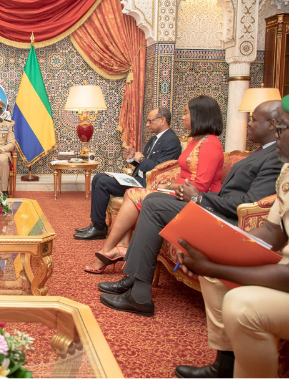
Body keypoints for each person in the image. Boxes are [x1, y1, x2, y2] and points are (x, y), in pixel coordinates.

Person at [173, 90, 289, 378]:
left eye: (284, 129)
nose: (278, 135)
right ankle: (225, 366)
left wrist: (213, 264)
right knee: (213, 275)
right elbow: (272, 233)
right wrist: (209, 249)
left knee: (242, 306)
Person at [97, 99, 284, 317]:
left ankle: (138, 293)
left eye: (253, 120)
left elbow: (247, 204)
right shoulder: (261, 151)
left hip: (227, 220)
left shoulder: (276, 157)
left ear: (272, 125)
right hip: (215, 207)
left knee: (154, 204)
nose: (249, 124)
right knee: (152, 202)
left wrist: (201, 198)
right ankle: (135, 284)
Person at [85, 95, 224, 274]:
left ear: (200, 115)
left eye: (186, 113)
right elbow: (180, 174)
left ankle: (106, 251)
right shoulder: (195, 141)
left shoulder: (210, 144)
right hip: (178, 192)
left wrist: (165, 186)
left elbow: (198, 188)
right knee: (125, 190)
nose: (182, 117)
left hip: (196, 201)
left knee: (133, 195)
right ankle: (121, 246)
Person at [75, 107, 182, 242]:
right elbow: (145, 165)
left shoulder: (171, 140)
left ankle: (99, 227)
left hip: (148, 185)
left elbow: (161, 171)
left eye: (150, 121)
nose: (147, 124)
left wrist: (141, 159)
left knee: (103, 182)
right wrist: (132, 158)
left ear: (162, 120)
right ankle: (97, 224)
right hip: (138, 179)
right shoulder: (154, 139)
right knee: (99, 177)